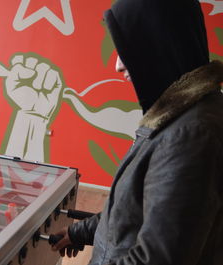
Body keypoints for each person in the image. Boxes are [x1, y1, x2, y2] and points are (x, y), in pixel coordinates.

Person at [52, 0, 223, 264]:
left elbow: (157, 260)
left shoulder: (191, 133)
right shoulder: (181, 116)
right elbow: (131, 212)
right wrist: (80, 232)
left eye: (127, 50)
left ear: (159, 45)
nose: (118, 66)